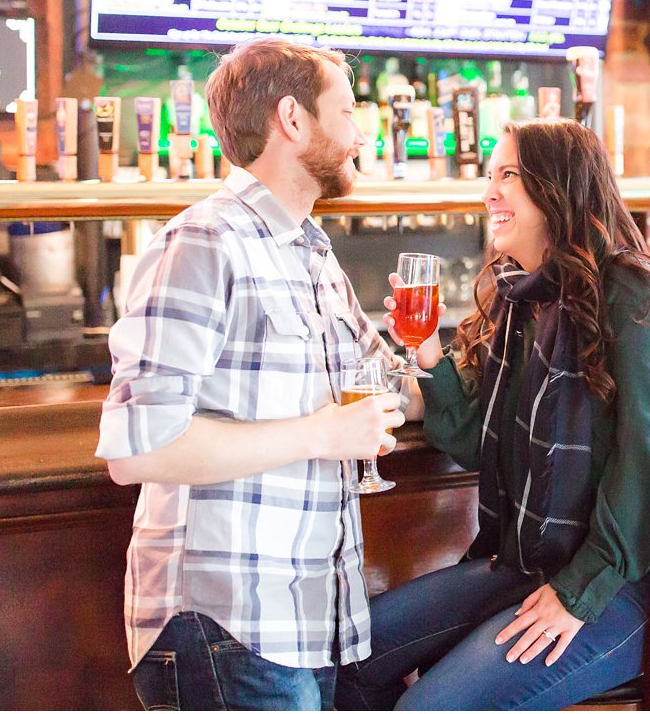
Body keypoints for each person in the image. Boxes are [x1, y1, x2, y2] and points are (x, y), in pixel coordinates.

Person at [335, 119, 650, 711]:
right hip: (532, 561)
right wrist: (429, 350)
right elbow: (480, 443)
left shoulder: (632, 296)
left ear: (558, 187)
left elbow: (648, 463)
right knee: (348, 660)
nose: (490, 193)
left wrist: (577, 592)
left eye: (509, 174)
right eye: (491, 175)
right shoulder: (522, 298)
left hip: (632, 582)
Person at [97, 40, 413, 711]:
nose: (362, 132)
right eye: (348, 110)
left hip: (304, 621)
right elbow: (137, 449)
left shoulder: (313, 252)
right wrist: (320, 434)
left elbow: (390, 388)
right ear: (292, 119)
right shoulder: (204, 241)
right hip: (224, 622)